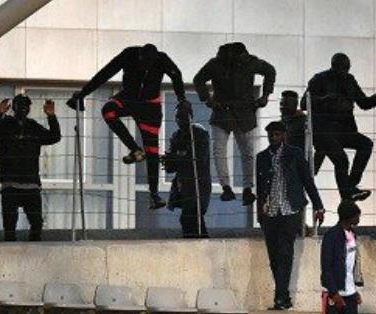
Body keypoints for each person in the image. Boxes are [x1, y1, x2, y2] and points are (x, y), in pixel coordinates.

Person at [67, 43, 189, 210]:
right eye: (143, 63)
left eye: (149, 65)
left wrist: (182, 99)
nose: (146, 67)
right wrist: (83, 93)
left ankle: (154, 194)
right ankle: (135, 150)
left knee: (152, 151)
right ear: (140, 56)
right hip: (128, 98)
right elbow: (106, 73)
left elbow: (177, 75)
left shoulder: (161, 58)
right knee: (108, 111)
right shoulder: (129, 54)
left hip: (150, 106)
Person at [194, 42, 276, 206]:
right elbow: (198, 80)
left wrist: (266, 95)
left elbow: (270, 71)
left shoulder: (246, 62)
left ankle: (245, 188)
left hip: (241, 110)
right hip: (227, 110)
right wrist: (207, 100)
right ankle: (228, 187)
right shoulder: (220, 64)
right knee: (224, 151)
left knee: (244, 152)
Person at [257, 121, 324, 310]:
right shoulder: (262, 157)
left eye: (277, 134)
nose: (273, 138)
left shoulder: (294, 154)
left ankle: (279, 298)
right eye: (271, 135)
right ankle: (283, 297)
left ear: (283, 135)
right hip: (270, 212)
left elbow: (307, 181)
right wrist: (259, 215)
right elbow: (260, 187)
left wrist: (318, 205)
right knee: (274, 256)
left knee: (285, 253)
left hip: (290, 210)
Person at [306, 53, 376, 201]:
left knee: (366, 144)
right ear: (333, 66)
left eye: (346, 69)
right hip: (324, 131)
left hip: (345, 129)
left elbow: (363, 103)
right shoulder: (320, 79)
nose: (344, 72)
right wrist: (324, 100)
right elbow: (305, 103)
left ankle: (350, 186)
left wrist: (374, 99)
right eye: (341, 69)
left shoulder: (350, 80)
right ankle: (347, 195)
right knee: (341, 160)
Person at [0, 95, 61, 241]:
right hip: (10, 184)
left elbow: (54, 137)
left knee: (37, 224)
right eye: (20, 105)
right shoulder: (5, 125)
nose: (23, 109)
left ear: (29, 109)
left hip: (31, 184)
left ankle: (33, 254)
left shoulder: (33, 126)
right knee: (10, 228)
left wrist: (51, 116)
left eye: (26, 106)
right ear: (14, 108)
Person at [319, 200, 363, 314]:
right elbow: (326, 267)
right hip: (334, 293)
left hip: (350, 292)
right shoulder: (331, 236)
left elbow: (351, 266)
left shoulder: (353, 234)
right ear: (348, 216)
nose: (359, 218)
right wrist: (334, 293)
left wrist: (355, 288)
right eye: (356, 215)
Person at [162, 106, 211, 238]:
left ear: (190, 117)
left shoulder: (199, 133)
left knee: (193, 218)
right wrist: (168, 160)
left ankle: (200, 247)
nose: (180, 120)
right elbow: (171, 167)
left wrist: (177, 158)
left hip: (198, 184)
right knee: (188, 219)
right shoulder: (176, 135)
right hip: (183, 184)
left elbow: (198, 159)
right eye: (178, 117)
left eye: (183, 117)